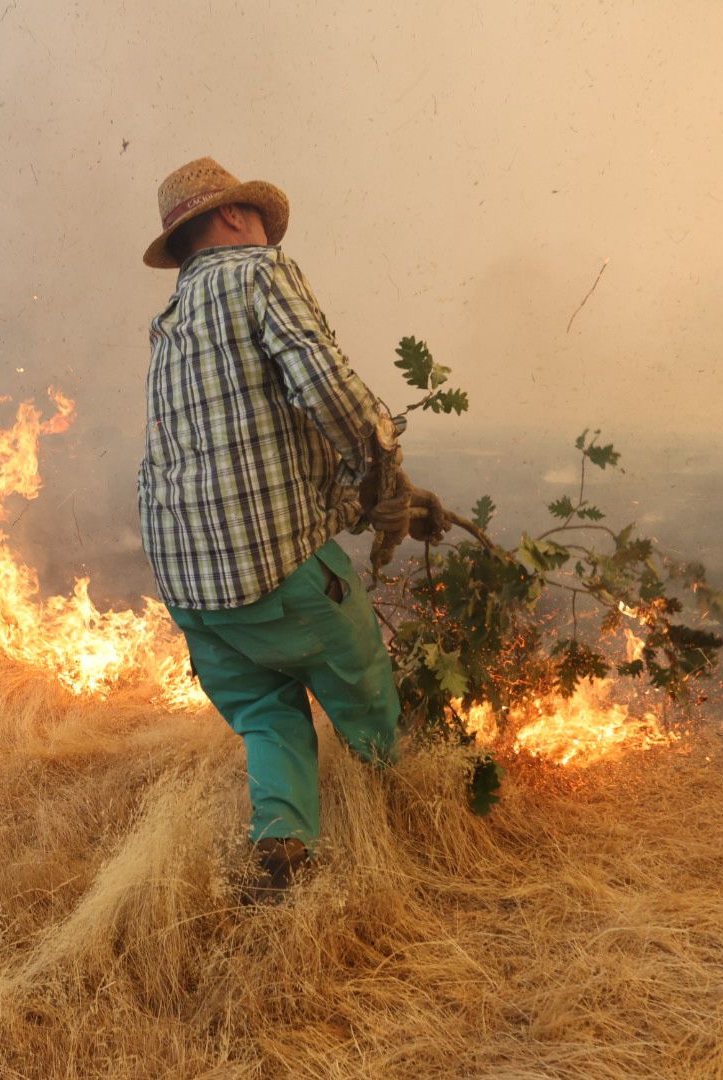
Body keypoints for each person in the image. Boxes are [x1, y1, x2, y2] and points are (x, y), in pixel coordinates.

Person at [137, 157, 441, 902]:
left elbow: (250, 450)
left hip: (191, 585)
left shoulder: (171, 321)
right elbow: (325, 382)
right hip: (270, 567)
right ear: (235, 218)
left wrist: (360, 497)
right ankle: (419, 826)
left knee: (269, 717)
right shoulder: (257, 273)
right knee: (366, 691)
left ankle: (280, 853)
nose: (270, 228)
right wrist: (383, 472)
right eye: (259, 216)